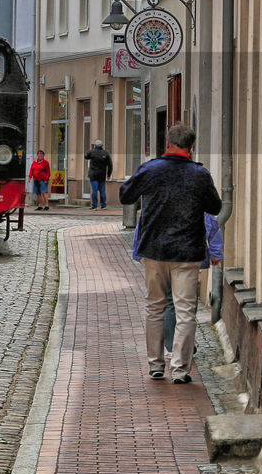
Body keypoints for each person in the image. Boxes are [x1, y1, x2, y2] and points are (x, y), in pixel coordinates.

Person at [119, 123, 222, 385]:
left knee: (154, 307)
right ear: (191, 146)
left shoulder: (150, 169)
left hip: (154, 250)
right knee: (186, 311)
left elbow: (125, 195)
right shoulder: (199, 174)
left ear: (168, 143)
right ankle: (179, 369)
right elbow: (215, 206)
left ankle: (155, 365)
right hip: (186, 252)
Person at [132, 212, 223, 355]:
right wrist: (215, 252)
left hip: (162, 256)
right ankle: (184, 345)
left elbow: (144, 222)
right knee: (187, 302)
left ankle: (172, 345)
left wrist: (138, 251)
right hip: (188, 257)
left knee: (170, 302)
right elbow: (211, 222)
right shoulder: (196, 195)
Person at [84, 139, 113, 209]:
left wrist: (90, 150)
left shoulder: (91, 152)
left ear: (95, 145)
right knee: (102, 190)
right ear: (102, 146)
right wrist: (109, 175)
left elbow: (86, 156)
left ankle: (94, 206)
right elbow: (110, 165)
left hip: (93, 175)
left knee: (94, 190)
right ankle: (103, 205)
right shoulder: (106, 153)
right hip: (102, 175)